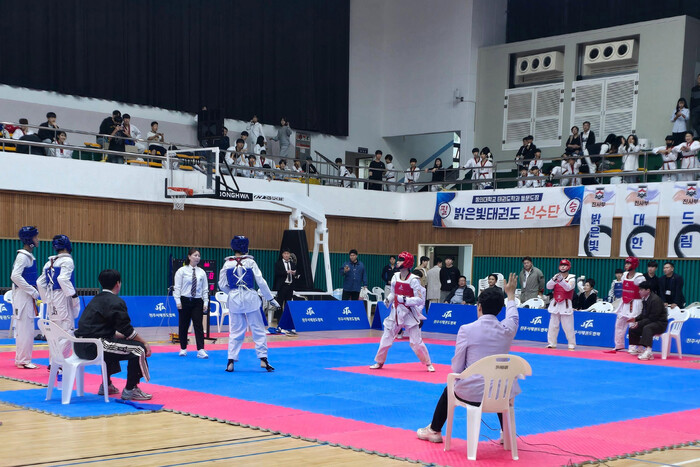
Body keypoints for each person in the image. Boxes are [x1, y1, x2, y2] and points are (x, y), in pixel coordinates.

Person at [417, 273, 519, 444]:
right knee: (498, 383)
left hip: (472, 393)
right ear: (500, 309)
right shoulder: (508, 329)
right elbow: (513, 316)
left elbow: (457, 368)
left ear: (479, 307)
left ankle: (434, 430)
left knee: (449, 388)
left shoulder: (467, 329)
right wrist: (510, 295)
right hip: (502, 394)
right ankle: (505, 433)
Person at [73, 270, 152, 399]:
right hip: (94, 346)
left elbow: (102, 329)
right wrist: (144, 342)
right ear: (118, 284)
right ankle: (131, 389)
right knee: (138, 349)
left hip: (80, 347)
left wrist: (124, 337)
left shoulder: (95, 300)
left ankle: (107, 385)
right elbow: (127, 330)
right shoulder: (115, 301)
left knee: (115, 342)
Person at [219, 236, 279, 372]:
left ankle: (231, 360)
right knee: (258, 328)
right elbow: (261, 282)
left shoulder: (227, 264)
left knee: (235, 331)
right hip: (251, 298)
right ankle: (263, 358)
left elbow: (221, 284)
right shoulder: (250, 262)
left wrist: (232, 292)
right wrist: (270, 298)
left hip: (234, 300)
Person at [369, 252, 434, 372]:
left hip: (409, 312)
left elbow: (420, 300)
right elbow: (393, 292)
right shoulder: (395, 276)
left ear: (407, 263)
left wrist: (405, 300)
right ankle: (379, 361)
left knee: (416, 342)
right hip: (396, 311)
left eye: (400, 260)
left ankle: (428, 363)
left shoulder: (414, 280)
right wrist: (388, 299)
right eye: (398, 260)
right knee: (386, 337)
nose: (397, 262)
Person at [36, 235, 80, 358]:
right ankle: (59, 362)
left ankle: (53, 362)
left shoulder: (49, 262)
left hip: (51, 299)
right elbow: (62, 279)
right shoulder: (67, 261)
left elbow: (39, 282)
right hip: (63, 296)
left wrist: (45, 299)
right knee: (67, 331)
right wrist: (73, 295)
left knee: (55, 332)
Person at [11, 226, 41, 369]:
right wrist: (32, 291)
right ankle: (23, 360)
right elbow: (15, 276)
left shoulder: (28, 256)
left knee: (27, 328)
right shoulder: (23, 256)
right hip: (23, 295)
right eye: (35, 237)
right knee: (24, 329)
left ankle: (23, 359)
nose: (38, 240)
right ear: (29, 240)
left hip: (26, 295)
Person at [173, 248, 209, 359]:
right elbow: (177, 287)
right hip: (184, 300)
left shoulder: (202, 272)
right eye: (195, 255)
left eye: (199, 256)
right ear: (189, 257)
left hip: (197, 301)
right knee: (183, 324)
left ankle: (201, 349)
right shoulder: (181, 271)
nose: (197, 257)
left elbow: (205, 289)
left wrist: (205, 302)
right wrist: (178, 301)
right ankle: (183, 348)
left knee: (198, 325)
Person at [627, 281, 667, 361]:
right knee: (633, 328)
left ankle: (648, 352)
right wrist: (635, 319)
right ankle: (640, 349)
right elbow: (643, 314)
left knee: (647, 328)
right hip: (651, 321)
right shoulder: (645, 299)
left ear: (648, 290)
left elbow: (653, 318)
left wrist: (639, 323)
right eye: (639, 289)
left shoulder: (655, 300)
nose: (639, 291)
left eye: (641, 290)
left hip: (660, 323)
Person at [612, 257, 645, 352]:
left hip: (635, 303)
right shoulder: (624, 276)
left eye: (628, 263)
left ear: (634, 265)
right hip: (624, 302)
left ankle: (634, 347)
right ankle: (619, 344)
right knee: (619, 323)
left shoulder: (639, 277)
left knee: (633, 325)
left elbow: (644, 290)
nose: (626, 265)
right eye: (626, 263)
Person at [545, 260, 576, 350]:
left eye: (565, 265)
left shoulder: (572, 278)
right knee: (553, 325)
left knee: (568, 326)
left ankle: (571, 344)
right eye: (561, 265)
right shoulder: (556, 276)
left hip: (565, 304)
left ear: (568, 267)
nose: (563, 267)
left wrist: (561, 280)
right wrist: (553, 280)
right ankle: (551, 343)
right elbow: (548, 286)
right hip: (555, 303)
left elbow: (568, 288)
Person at [273, 248, 296, 323]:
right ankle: (279, 320)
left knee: (288, 303)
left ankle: (287, 319)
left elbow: (296, 273)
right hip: (282, 285)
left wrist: (294, 273)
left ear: (289, 255)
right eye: (285, 253)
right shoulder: (278, 263)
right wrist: (286, 272)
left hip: (290, 285)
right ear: (282, 255)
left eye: (288, 254)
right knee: (280, 302)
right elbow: (277, 273)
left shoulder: (292, 264)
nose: (286, 255)